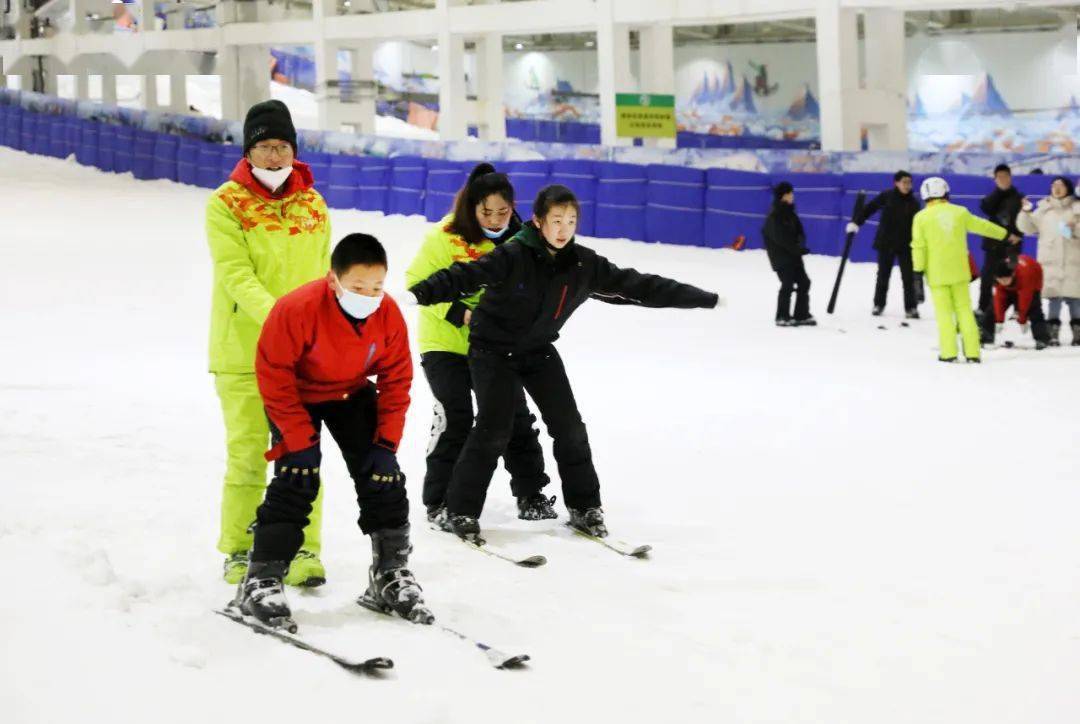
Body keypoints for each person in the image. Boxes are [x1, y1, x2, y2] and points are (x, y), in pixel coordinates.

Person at [405, 185, 720, 541]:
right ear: (538, 221)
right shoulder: (512, 255)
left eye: (570, 221)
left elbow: (639, 285)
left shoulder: (582, 263)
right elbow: (465, 276)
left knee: (569, 427)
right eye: (556, 220)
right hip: (492, 351)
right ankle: (460, 510)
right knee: (494, 429)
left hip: (537, 350)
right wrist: (421, 293)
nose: (563, 229)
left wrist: (702, 299)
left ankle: (585, 507)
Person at [236, 233, 432, 628]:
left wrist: (387, 443)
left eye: (377, 286)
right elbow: (274, 375)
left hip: (351, 393)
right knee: (298, 476)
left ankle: (389, 574)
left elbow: (397, 380)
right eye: (358, 287)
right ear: (334, 280)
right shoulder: (296, 309)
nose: (369, 295)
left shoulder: (387, 313)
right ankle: (261, 579)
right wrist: (296, 438)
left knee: (384, 476)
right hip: (297, 396)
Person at [206, 100, 329, 587]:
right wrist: (283, 319)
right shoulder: (225, 203)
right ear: (249, 151)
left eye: (282, 146)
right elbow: (235, 274)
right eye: (264, 147)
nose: (274, 156)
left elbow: (324, 276)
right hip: (242, 352)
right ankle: (239, 548)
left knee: (302, 456)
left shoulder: (313, 205)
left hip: (301, 357)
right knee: (248, 454)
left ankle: (302, 549)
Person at [405, 163, 552, 528]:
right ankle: (438, 500)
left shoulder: (522, 239)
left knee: (512, 415)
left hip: (496, 345)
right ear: (472, 207)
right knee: (456, 417)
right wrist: (461, 314)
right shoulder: (445, 235)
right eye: (487, 212)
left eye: (503, 211)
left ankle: (531, 492)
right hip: (445, 342)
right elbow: (416, 284)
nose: (496, 218)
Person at [912, 177, 1009, 363]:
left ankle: (948, 353)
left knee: (944, 314)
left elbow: (918, 247)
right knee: (964, 310)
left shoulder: (920, 218)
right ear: (946, 192)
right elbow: (982, 226)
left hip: (936, 274)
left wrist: (917, 272)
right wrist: (1004, 234)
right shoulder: (960, 212)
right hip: (959, 271)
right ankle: (973, 352)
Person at [846, 170, 923, 318]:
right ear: (896, 183)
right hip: (886, 243)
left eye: (909, 182)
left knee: (908, 277)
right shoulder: (887, 196)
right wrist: (856, 222)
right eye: (904, 182)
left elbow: (920, 224)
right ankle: (878, 304)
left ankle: (911, 308)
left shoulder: (914, 202)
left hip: (906, 245)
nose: (907, 185)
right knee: (883, 276)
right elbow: (869, 208)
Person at [1016, 176, 1080, 346]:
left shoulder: (1077, 208)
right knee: (1054, 297)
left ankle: (1077, 331)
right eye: (1054, 185)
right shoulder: (1044, 209)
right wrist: (1025, 212)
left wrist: (1076, 228)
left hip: (1073, 260)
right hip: (1050, 260)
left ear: (1068, 188)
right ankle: (1052, 331)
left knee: (1075, 298)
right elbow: (1027, 228)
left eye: (1060, 185)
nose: (1057, 189)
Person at [763, 181, 815, 327]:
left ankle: (801, 315)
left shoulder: (791, 214)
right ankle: (782, 316)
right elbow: (780, 239)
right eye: (790, 193)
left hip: (794, 256)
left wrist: (801, 245)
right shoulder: (775, 216)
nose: (792, 196)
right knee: (787, 284)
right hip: (781, 258)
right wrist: (797, 249)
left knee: (804, 282)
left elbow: (800, 232)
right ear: (783, 196)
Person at [977, 163, 1024, 316]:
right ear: (995, 179)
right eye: (999, 177)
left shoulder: (1019, 197)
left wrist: (1019, 236)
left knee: (1014, 276)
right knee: (987, 278)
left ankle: (1017, 309)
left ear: (1010, 177)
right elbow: (986, 209)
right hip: (993, 244)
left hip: (1012, 244)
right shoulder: (992, 196)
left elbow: (1024, 219)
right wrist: (999, 192)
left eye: (1005, 176)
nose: (1003, 179)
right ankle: (984, 307)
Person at [980, 256, 1050, 350]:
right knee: (992, 310)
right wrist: (999, 321)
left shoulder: (1025, 275)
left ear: (1012, 274)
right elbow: (999, 301)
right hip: (1012, 286)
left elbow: (1025, 301)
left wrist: (1022, 320)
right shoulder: (1000, 280)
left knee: (1034, 309)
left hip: (1031, 285)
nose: (1003, 282)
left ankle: (1042, 339)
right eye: (1000, 280)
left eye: (1005, 279)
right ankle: (986, 338)